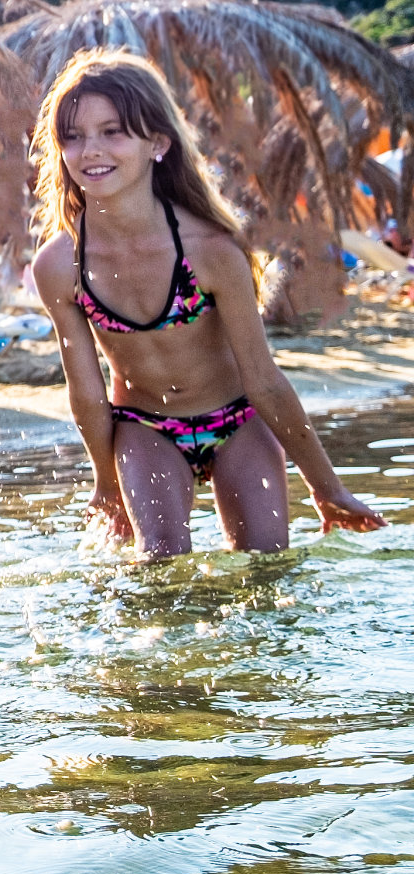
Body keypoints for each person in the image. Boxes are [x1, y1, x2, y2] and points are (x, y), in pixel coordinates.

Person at [30, 49, 384, 558]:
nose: (91, 150)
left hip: (237, 420)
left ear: (158, 143)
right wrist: (106, 484)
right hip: (145, 427)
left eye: (112, 132)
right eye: (73, 136)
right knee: (160, 562)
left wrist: (327, 488)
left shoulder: (211, 250)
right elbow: (86, 392)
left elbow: (264, 379)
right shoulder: (60, 265)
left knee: (266, 566)